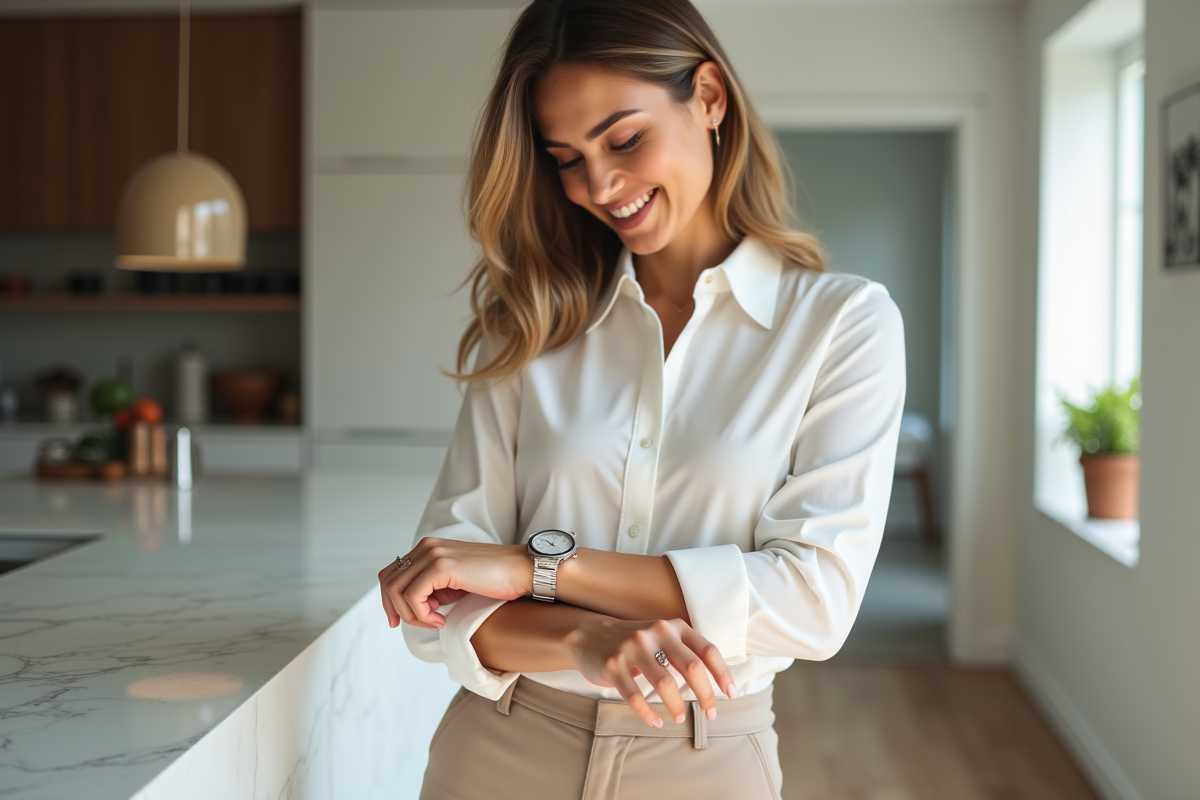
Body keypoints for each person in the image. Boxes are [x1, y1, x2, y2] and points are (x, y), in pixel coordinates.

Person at [377, 1, 905, 797]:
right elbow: (439, 604)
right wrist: (585, 638)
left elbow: (811, 601)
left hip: (707, 755)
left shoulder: (842, 324)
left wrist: (534, 571)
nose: (600, 185)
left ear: (711, 97)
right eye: (565, 157)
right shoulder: (531, 325)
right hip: (500, 747)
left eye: (624, 139)